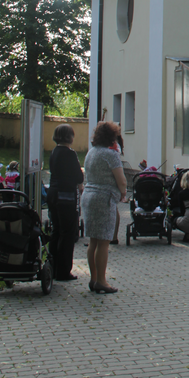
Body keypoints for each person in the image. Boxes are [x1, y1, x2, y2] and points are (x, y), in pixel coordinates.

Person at [81, 121, 128, 293]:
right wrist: (123, 193)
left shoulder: (91, 152)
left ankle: (93, 279)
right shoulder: (111, 155)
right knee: (104, 243)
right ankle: (102, 281)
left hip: (88, 196)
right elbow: (122, 180)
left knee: (93, 241)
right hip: (104, 199)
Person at [47, 124, 84, 281]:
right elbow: (79, 177)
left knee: (56, 231)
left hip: (53, 194)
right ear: (70, 137)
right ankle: (63, 271)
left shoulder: (54, 152)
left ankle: (52, 267)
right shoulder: (70, 154)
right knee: (67, 233)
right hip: (66, 196)